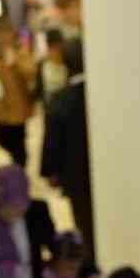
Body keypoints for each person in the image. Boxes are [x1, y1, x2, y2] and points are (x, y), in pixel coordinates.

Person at [40, 40, 93, 250]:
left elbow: (53, 139)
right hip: (111, 170)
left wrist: (50, 171)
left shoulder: (61, 99)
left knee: (84, 222)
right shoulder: (107, 93)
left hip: (75, 175)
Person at [0, 22, 35, 164]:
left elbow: (31, 73)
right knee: (1, 138)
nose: (2, 36)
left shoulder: (21, 52)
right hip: (0, 110)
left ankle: (19, 175)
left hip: (18, 109)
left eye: (5, 32)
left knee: (19, 145)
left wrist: (16, 62)